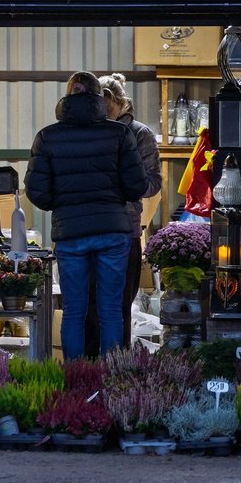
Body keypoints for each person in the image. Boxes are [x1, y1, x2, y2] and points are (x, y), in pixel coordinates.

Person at [25, 71, 149, 358]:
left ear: (67, 97)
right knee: (110, 311)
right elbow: (138, 186)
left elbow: (36, 191)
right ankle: (111, 378)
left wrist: (65, 204)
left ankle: (74, 381)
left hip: (70, 235)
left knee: (73, 312)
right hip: (113, 233)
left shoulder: (47, 137)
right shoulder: (120, 134)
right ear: (100, 98)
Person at [82, 73, 163, 356]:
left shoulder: (140, 134)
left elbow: (153, 182)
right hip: (92, 228)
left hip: (126, 230)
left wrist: (122, 184)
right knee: (90, 305)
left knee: (119, 306)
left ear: (120, 103)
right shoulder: (92, 131)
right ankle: (89, 368)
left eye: (109, 108)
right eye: (99, 108)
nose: (104, 114)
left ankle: (117, 366)